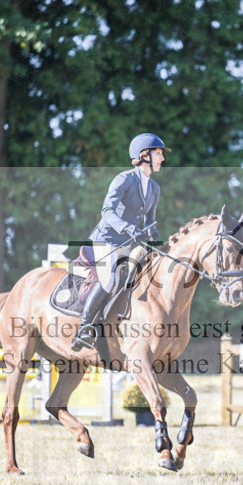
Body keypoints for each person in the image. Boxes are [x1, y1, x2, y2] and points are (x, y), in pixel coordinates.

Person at [72, 132, 169, 351]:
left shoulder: (154, 188)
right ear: (144, 155)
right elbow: (107, 211)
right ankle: (84, 328)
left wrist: (157, 240)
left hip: (131, 242)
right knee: (111, 280)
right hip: (108, 239)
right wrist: (127, 227)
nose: (162, 159)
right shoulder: (124, 179)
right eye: (158, 153)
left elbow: (150, 222)